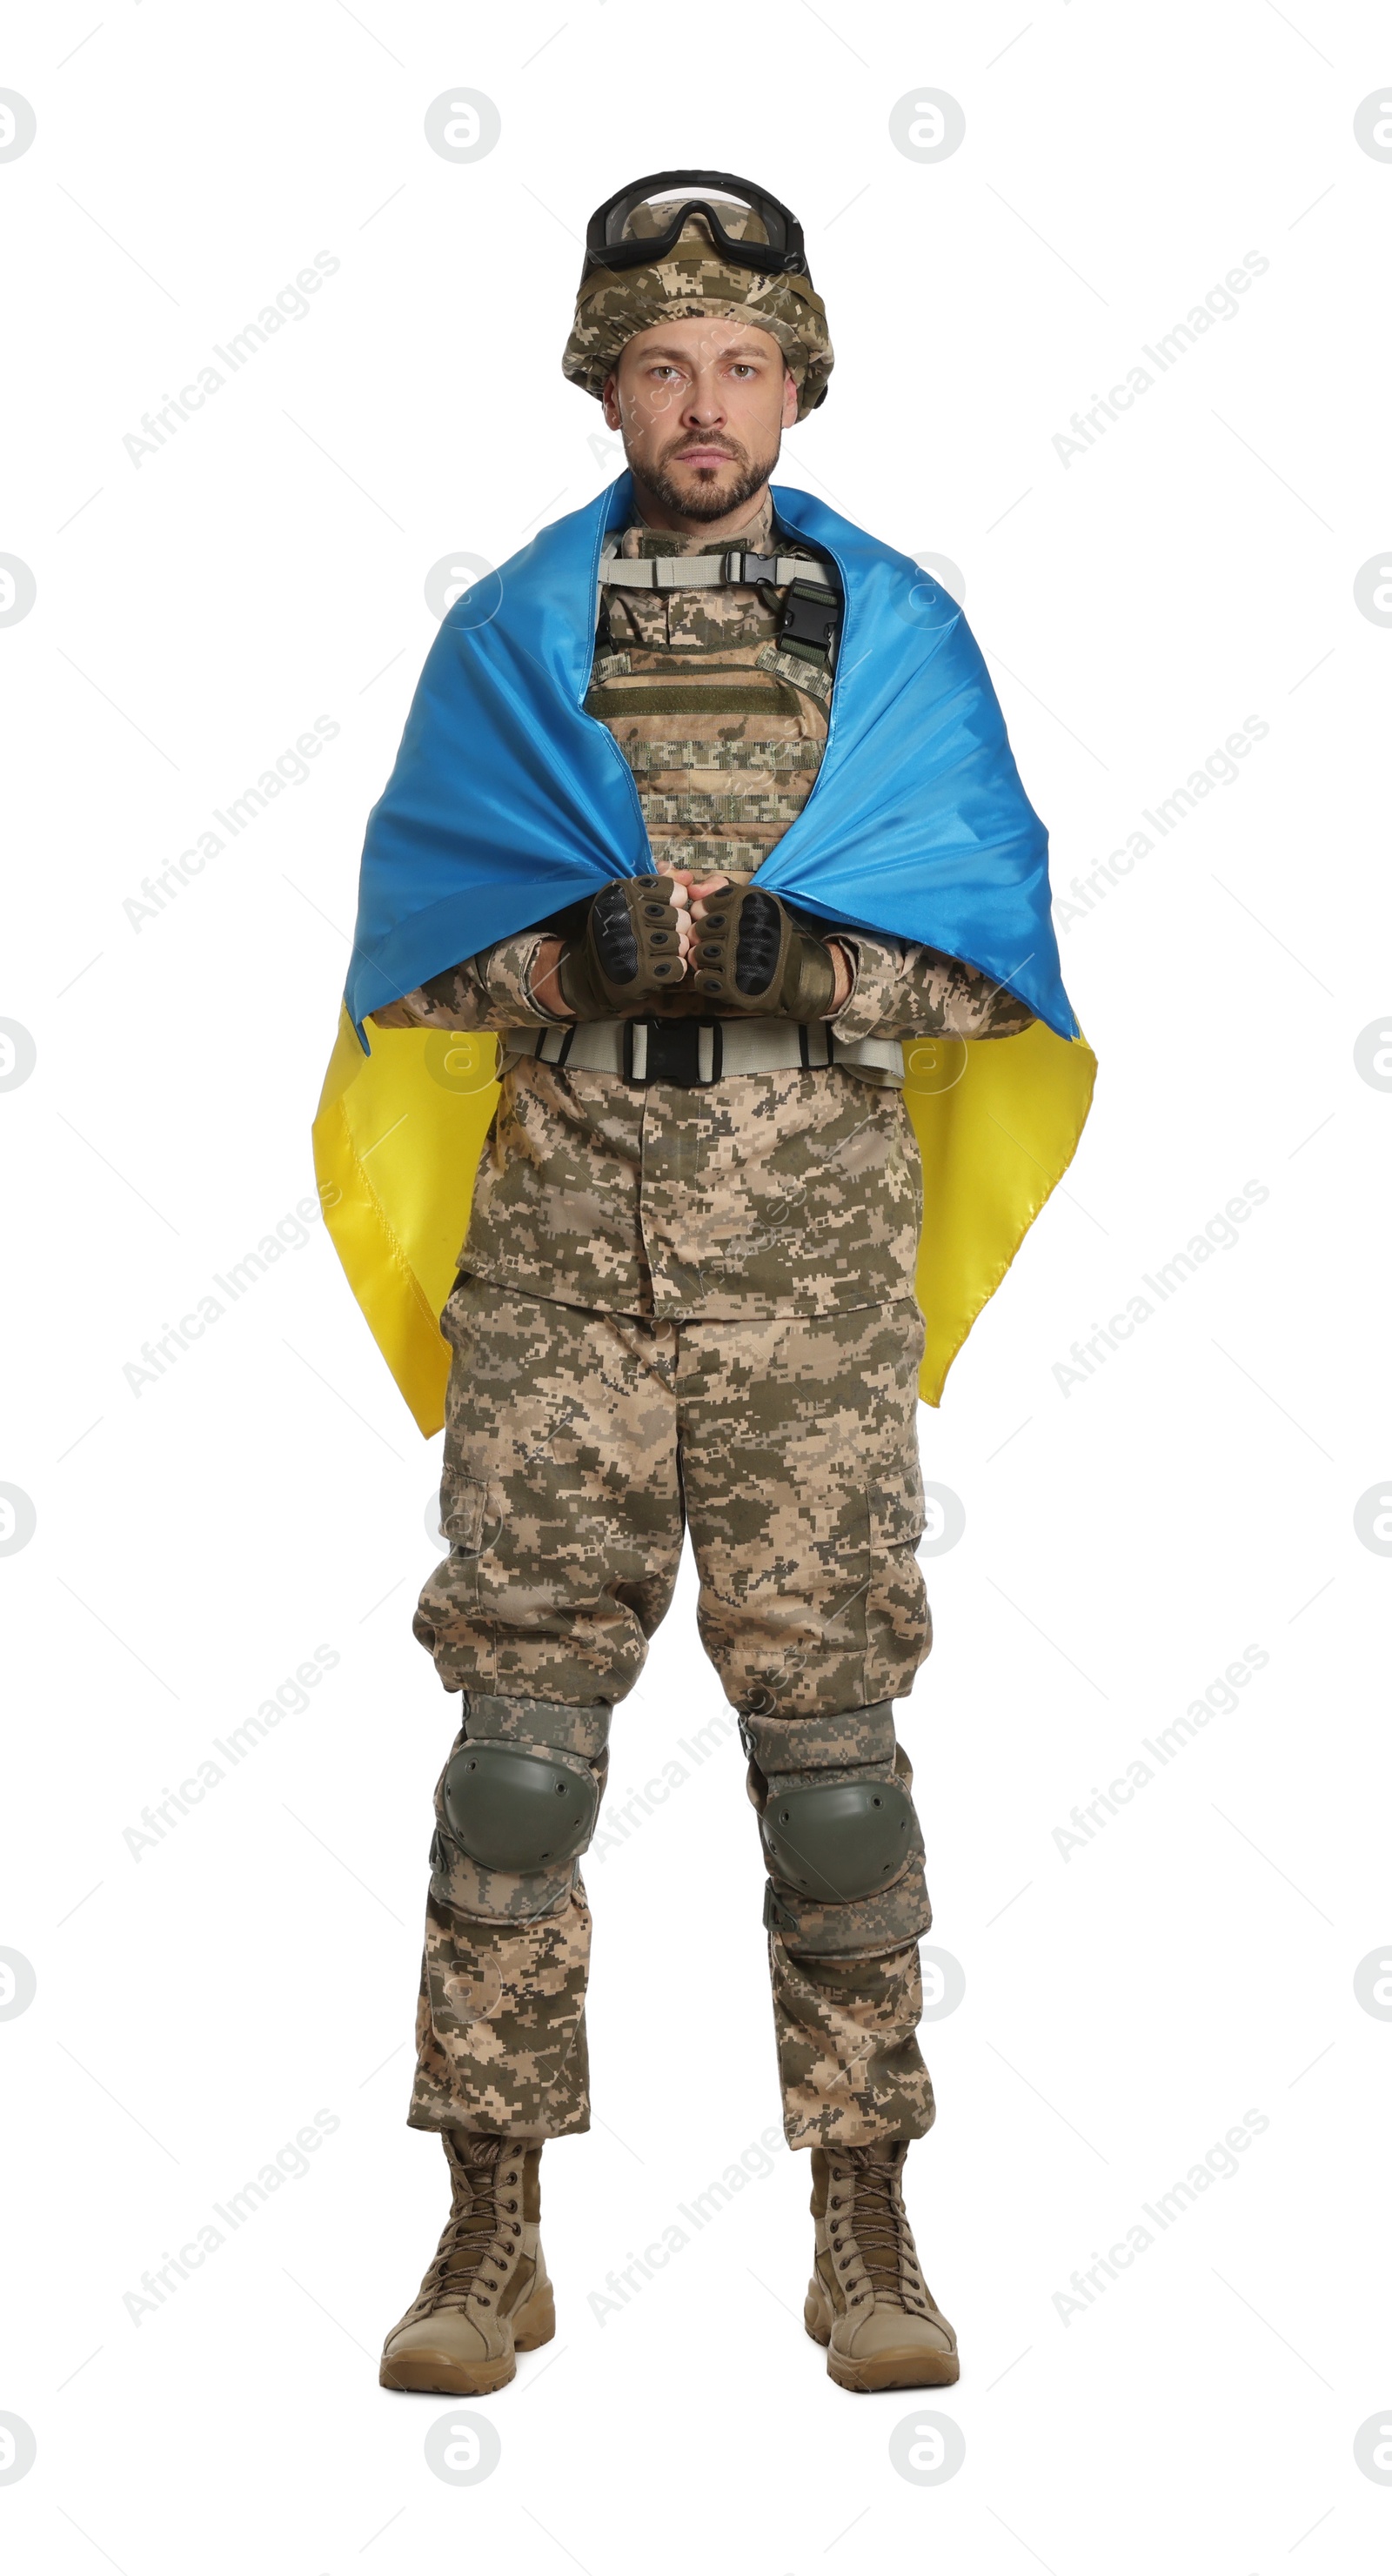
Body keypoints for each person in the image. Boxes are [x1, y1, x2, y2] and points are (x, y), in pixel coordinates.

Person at [322, 173, 1090, 2398]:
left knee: (832, 1755)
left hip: (804, 1267)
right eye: (658, 363)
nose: (701, 402)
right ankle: (489, 2229)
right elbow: (411, 952)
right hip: (559, 1264)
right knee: (518, 1761)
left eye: (741, 365)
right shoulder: (513, 640)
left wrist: (803, 953)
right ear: (601, 383)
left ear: (798, 382)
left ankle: (867, 2221)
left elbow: (985, 962)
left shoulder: (895, 638)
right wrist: (557, 952)